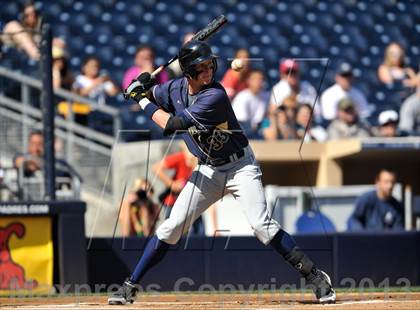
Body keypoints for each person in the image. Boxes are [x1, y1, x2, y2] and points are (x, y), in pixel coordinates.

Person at [108, 40, 335, 305]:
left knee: (261, 226)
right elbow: (152, 93)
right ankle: (130, 285)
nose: (207, 72)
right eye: (200, 68)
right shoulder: (174, 88)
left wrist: (141, 99)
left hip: (240, 166)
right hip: (208, 170)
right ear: (187, 71)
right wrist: (142, 86)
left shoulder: (214, 95)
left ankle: (316, 276)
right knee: (171, 227)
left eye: (209, 65)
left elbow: (171, 124)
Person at [152, 143, 205, 236]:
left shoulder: (200, 163)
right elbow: (156, 168)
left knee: (199, 233)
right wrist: (171, 184)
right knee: (172, 234)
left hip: (192, 203)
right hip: (173, 202)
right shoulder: (180, 157)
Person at [231, 69, 269, 139]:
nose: (258, 82)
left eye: (260, 79)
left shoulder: (266, 96)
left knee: (270, 126)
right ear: (249, 81)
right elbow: (242, 122)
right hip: (242, 129)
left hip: (259, 127)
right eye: (255, 79)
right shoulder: (242, 97)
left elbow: (265, 118)